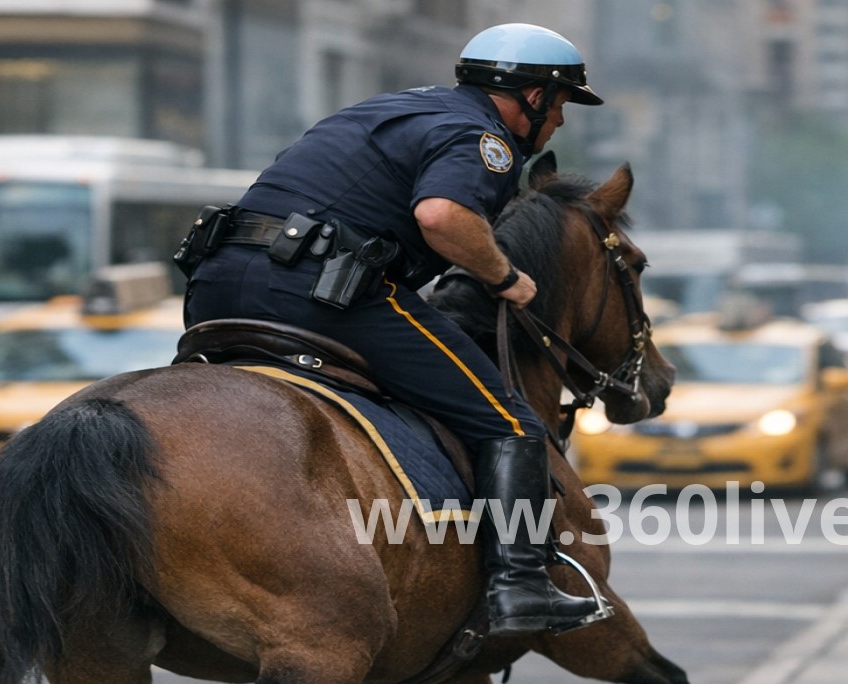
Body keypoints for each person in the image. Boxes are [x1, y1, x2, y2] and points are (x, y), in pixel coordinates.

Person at [179, 23, 605, 638]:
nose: (560, 121)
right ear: (533, 97)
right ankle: (520, 585)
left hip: (215, 285)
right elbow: (442, 215)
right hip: (319, 294)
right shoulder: (485, 138)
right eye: (561, 104)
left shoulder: (389, 108)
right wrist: (504, 276)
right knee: (509, 422)